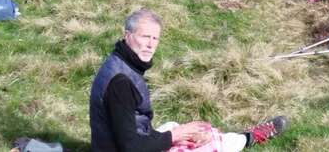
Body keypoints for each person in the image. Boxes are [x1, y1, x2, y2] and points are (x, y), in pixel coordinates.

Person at [89, 9, 287, 152]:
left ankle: (238, 137)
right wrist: (175, 136)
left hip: (116, 143)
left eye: (155, 39)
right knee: (210, 145)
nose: (150, 45)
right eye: (145, 37)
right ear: (128, 36)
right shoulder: (121, 82)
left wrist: (178, 133)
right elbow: (131, 146)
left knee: (175, 126)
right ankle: (249, 137)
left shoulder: (118, 63)